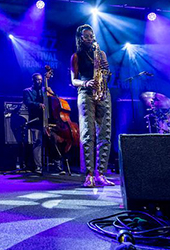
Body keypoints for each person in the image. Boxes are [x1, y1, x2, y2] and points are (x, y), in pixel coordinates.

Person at [70, 24, 115, 187]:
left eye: (91, 35)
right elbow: (73, 80)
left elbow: (107, 75)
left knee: (105, 134)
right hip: (85, 93)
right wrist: (85, 82)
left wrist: (106, 71)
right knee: (88, 134)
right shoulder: (76, 56)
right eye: (86, 36)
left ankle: (101, 174)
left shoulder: (100, 53)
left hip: (103, 93)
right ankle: (88, 174)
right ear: (80, 38)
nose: (89, 38)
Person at [23, 73, 64, 175]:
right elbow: (27, 102)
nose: (40, 82)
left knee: (53, 142)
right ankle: (38, 167)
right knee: (37, 143)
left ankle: (58, 166)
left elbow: (57, 101)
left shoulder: (44, 91)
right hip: (36, 121)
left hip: (48, 121)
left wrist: (52, 93)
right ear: (32, 80)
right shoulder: (27, 91)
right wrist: (38, 104)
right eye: (37, 80)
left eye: (41, 80)